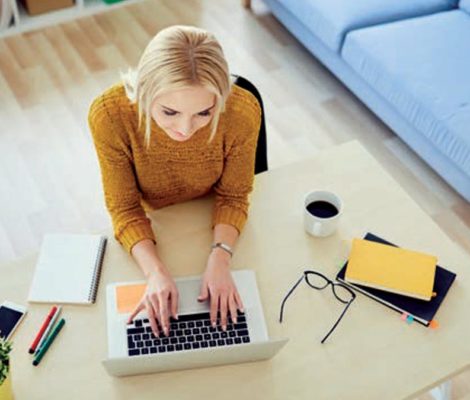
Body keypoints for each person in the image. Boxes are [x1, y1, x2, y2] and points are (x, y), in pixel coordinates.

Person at [88, 25, 262, 339]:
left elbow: (234, 196)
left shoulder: (240, 112)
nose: (185, 128)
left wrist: (220, 258)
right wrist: (155, 272)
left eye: (204, 113)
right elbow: (125, 209)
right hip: (156, 224)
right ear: (143, 91)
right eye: (169, 111)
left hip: (211, 221)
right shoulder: (110, 117)